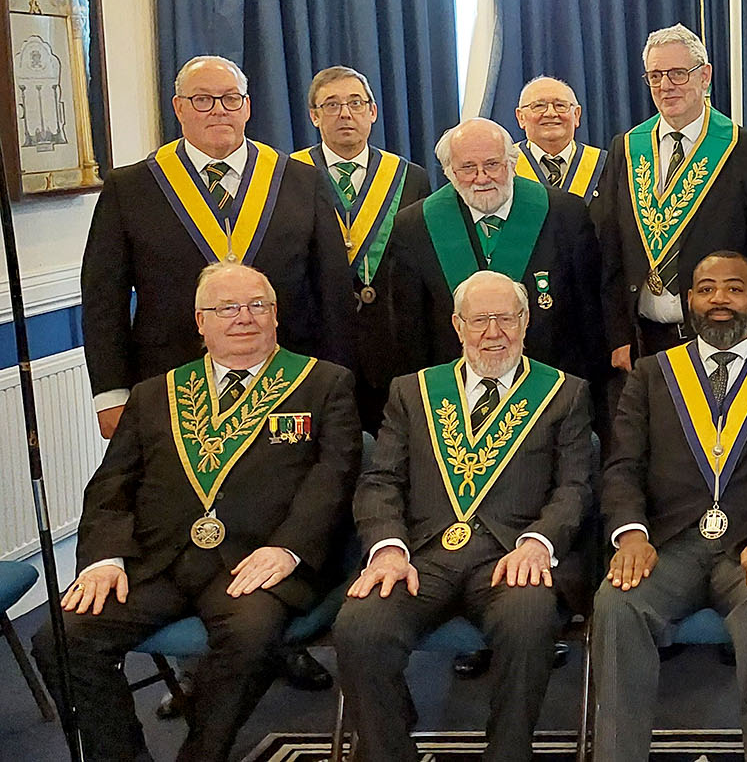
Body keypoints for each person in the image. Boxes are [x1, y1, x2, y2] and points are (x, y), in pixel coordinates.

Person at [35, 262, 359, 762]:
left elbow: (334, 479)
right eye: (226, 308)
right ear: (200, 321)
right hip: (157, 562)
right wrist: (103, 559)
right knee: (61, 636)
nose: (243, 318)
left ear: (276, 317)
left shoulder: (324, 384)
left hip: (258, 561)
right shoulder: (154, 394)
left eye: (257, 306)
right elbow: (111, 485)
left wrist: (290, 548)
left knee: (250, 638)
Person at [334, 270, 593, 762]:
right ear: (457, 325)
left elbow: (575, 487)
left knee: (529, 619)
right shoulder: (412, 392)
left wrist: (539, 541)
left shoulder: (565, 393)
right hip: (421, 557)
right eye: (479, 320)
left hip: (511, 557)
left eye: (505, 319)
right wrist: (387, 548)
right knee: (359, 627)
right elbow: (380, 481)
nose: (492, 333)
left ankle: (509, 753)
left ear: (525, 322)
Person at [593, 251, 747, 762]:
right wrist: (631, 533)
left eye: (734, 288)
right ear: (688, 300)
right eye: (706, 288)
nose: (720, 299)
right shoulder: (651, 375)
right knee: (616, 602)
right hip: (667, 545)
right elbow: (622, 466)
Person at [81, 54, 353, 439]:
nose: (218, 110)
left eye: (230, 98)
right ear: (178, 108)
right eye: (202, 99)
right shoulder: (131, 189)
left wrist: (336, 382)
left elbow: (333, 293)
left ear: (247, 106)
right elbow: (102, 300)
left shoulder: (300, 182)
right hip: (172, 386)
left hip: (290, 382)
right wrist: (110, 394)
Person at [593, 24, 747, 364]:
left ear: (705, 76)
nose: (665, 85)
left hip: (726, 341)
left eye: (677, 73)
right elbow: (610, 250)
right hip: (644, 343)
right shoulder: (625, 149)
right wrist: (617, 337)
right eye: (655, 76)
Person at [386, 117, 606, 385]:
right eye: (467, 167)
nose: (481, 177)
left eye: (492, 165)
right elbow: (410, 335)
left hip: (551, 390)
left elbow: (589, 320)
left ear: (511, 163)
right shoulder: (415, 226)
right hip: (455, 393)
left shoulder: (565, 214)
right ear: (449, 173)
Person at [293, 65, 431, 431]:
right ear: (314, 116)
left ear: (372, 111)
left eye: (356, 103)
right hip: (316, 342)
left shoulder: (410, 177)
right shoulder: (289, 176)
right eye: (332, 105)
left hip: (393, 345)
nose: (345, 114)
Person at [514, 75, 606, 201]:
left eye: (560, 105)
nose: (551, 113)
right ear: (521, 117)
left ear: (577, 115)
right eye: (539, 106)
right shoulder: (505, 165)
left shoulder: (605, 165)